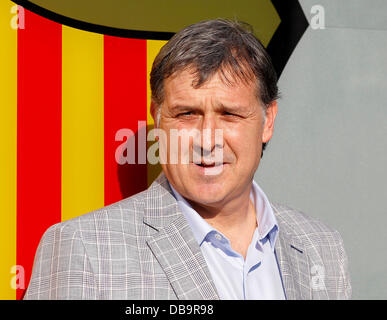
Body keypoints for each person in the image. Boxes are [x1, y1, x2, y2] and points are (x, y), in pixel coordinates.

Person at [24, 19, 351, 300]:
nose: (208, 138)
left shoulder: (321, 247)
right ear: (158, 118)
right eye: (187, 113)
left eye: (230, 114)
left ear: (267, 121)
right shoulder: (84, 248)